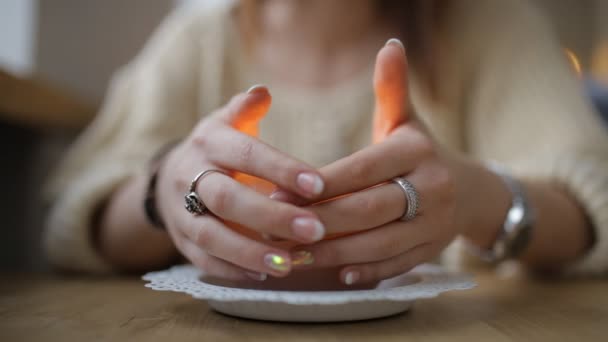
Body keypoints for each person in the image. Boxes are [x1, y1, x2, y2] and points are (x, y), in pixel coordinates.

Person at [45, 0, 608, 285]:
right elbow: (77, 213)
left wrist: (474, 196)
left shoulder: (489, 24)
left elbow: (591, 202)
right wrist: (162, 194)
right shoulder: (200, 41)